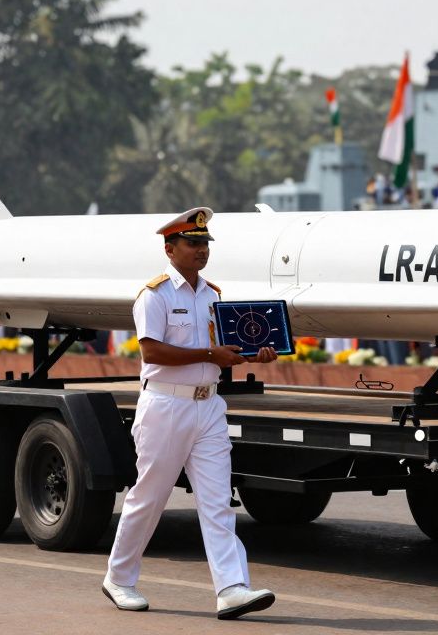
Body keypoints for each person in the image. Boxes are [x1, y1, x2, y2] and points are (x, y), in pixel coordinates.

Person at [104, 207, 277, 619]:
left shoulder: (213, 295)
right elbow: (152, 350)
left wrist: (254, 354)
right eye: (193, 243)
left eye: (205, 243)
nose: (201, 250)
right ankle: (119, 578)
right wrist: (209, 353)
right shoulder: (155, 294)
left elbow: (223, 351)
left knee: (217, 500)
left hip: (208, 405)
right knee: (149, 497)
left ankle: (232, 587)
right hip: (166, 404)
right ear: (170, 248)